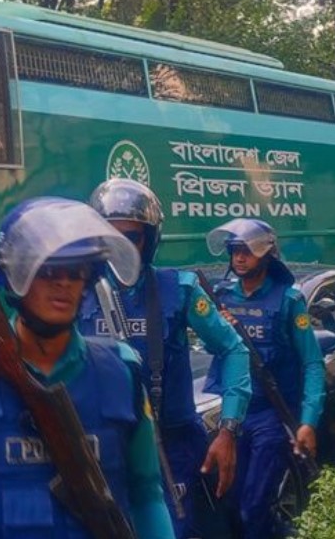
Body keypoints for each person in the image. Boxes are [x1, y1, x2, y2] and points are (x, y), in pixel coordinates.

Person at [0, 197, 176, 539]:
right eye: (48, 270)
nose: (64, 282)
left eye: (77, 271)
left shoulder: (122, 374)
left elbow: (147, 494)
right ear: (13, 276)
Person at [80, 178, 250, 537]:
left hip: (174, 447)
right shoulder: (76, 292)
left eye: (132, 237)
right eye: (110, 238)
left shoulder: (180, 289)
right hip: (100, 449)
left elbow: (233, 348)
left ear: (150, 239)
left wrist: (228, 430)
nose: (121, 248)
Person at [205, 218, 325, 539]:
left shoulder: (289, 300)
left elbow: (313, 363)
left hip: (272, 415)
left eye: (246, 251)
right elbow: (212, 349)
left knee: (253, 507)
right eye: (234, 251)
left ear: (266, 255)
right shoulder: (223, 297)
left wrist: (308, 421)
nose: (239, 258)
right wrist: (220, 330)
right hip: (233, 415)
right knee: (229, 505)